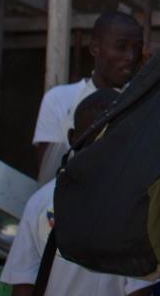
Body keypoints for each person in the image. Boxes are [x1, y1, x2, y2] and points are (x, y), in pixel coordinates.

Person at [4, 88, 154, 296]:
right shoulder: (41, 203)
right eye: (95, 135)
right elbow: (22, 286)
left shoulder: (137, 207)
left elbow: (139, 294)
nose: (104, 146)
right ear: (73, 138)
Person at [32, 11, 142, 182]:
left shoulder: (142, 99)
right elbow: (48, 175)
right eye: (121, 46)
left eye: (137, 48)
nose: (130, 56)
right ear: (94, 48)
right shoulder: (60, 99)